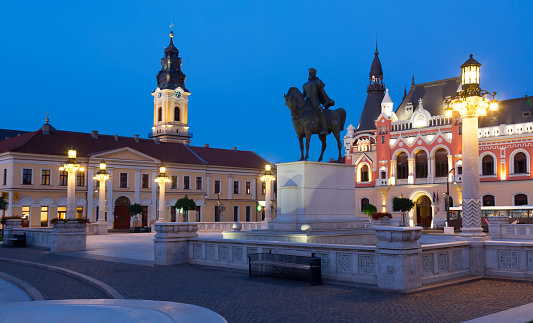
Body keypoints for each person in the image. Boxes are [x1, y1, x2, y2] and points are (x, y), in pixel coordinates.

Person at [302, 68, 335, 135]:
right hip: (307, 101)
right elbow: (303, 95)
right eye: (309, 73)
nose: (309, 75)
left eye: (311, 73)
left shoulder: (317, 82)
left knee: (320, 112)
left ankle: (325, 129)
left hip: (315, 100)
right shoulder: (305, 84)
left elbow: (323, 93)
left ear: (314, 74)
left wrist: (326, 100)